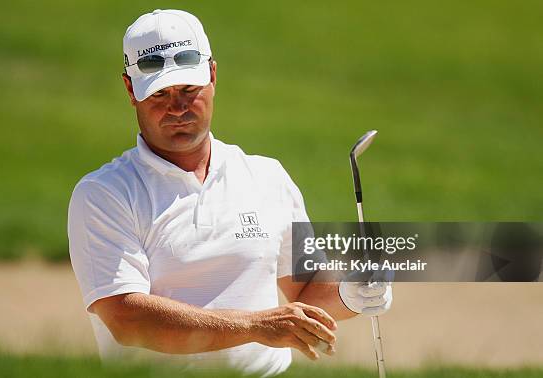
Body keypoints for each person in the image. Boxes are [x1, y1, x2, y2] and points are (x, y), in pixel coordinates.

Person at [68, 9, 392, 376]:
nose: (177, 107)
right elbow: (128, 319)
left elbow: (306, 290)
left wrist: (352, 293)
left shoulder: (266, 176)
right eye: (160, 94)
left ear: (213, 75)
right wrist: (255, 326)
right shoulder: (104, 194)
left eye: (189, 90)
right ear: (131, 90)